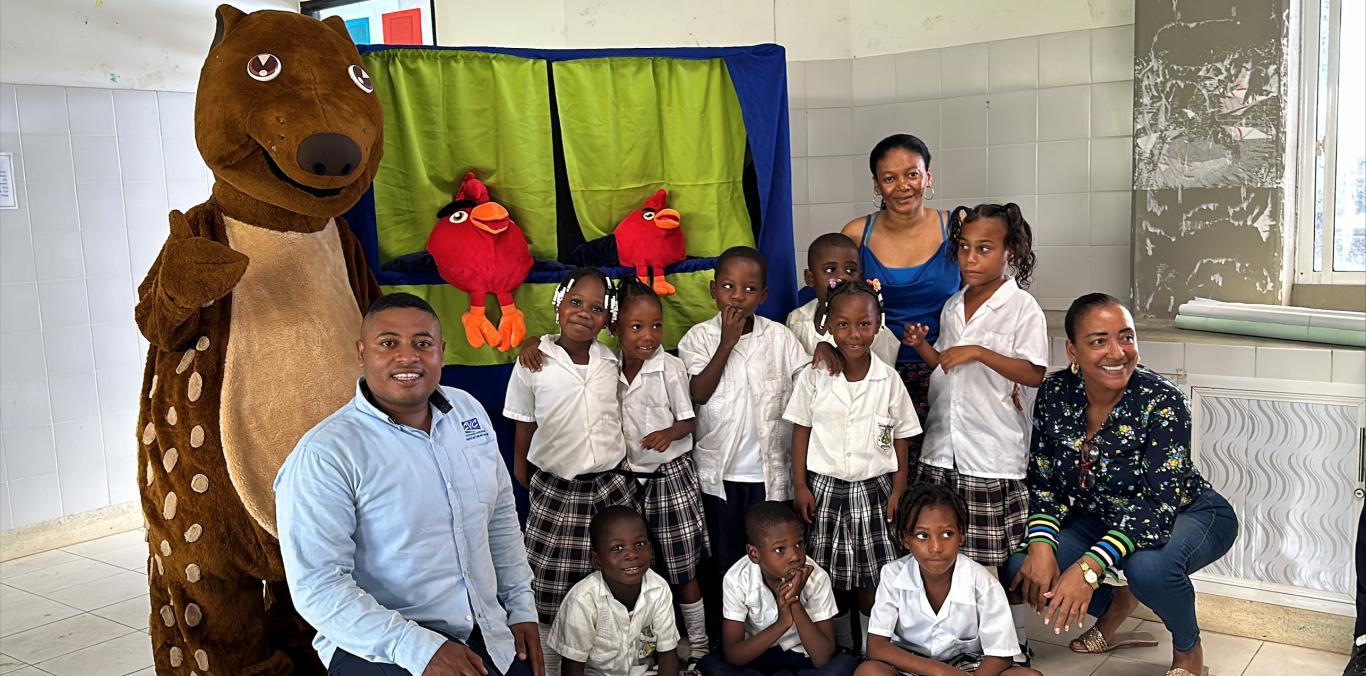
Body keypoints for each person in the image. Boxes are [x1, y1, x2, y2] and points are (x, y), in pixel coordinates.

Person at [276, 292, 543, 676]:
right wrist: (421, 649)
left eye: (422, 344)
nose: (408, 357)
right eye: (389, 344)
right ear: (362, 353)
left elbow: (500, 517)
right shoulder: (325, 454)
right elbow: (318, 586)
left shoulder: (467, 411)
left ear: (442, 353)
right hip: (381, 644)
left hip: (487, 631)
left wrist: (520, 607)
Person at [1007, 293, 1239, 676]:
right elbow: (1044, 480)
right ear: (1073, 351)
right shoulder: (1055, 394)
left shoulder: (1162, 400)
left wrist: (1089, 567)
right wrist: (1042, 544)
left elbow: (1156, 504)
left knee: (1148, 568)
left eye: (1126, 337)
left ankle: (1188, 649)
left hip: (1187, 512)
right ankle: (1119, 602)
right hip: (1104, 517)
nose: (1117, 352)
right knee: (1023, 565)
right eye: (1099, 341)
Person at [902, 203, 1048, 661]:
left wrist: (980, 351)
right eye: (964, 248)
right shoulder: (953, 305)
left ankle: (1013, 646)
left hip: (990, 452)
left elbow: (1034, 372)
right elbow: (947, 366)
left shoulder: (1022, 307)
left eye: (984, 248)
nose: (970, 258)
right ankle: (962, 642)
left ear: (1010, 252)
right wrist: (923, 347)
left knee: (991, 560)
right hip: (943, 449)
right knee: (949, 554)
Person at [504, 267, 638, 673]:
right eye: (576, 302)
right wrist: (523, 473)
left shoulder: (611, 360)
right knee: (549, 579)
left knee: (612, 575)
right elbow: (523, 421)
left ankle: (606, 659)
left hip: (611, 484)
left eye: (596, 308)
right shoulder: (533, 360)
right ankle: (548, 661)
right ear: (558, 305)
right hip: (556, 485)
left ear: (608, 318)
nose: (584, 313)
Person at [783, 280, 919, 650]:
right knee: (828, 577)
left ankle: (870, 648)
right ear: (827, 324)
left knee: (872, 577)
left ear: (878, 325)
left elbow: (902, 437)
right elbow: (801, 430)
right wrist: (800, 485)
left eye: (864, 324)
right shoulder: (815, 376)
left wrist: (899, 490)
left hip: (875, 491)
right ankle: (841, 646)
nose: (854, 334)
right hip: (824, 490)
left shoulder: (888, 380)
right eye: (843, 324)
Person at [677, 246, 809, 571]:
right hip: (719, 476)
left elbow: (808, 389)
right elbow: (699, 392)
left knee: (771, 559)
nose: (737, 296)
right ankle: (728, 608)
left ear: (763, 296)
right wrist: (727, 342)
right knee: (726, 560)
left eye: (750, 289)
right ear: (713, 290)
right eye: (728, 286)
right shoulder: (699, 338)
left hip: (770, 475)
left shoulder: (780, 338)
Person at [840, 133, 960, 462]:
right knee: (884, 464)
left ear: (928, 177)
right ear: (877, 185)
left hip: (946, 368)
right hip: (876, 370)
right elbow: (836, 301)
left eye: (912, 174)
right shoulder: (855, 234)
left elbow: (986, 297)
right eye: (889, 178)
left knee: (940, 468)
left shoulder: (957, 227)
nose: (903, 186)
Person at [859, 484, 1039, 676]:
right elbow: (877, 647)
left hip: (970, 667)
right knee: (869, 672)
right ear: (906, 539)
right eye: (922, 536)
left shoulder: (984, 583)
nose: (936, 547)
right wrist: (941, 672)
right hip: (910, 665)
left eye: (947, 534)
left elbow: (1001, 654)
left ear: (961, 535)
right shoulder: (892, 575)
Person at [699, 502, 857, 676]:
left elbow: (822, 658)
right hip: (756, 655)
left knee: (843, 666)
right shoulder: (737, 578)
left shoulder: (817, 578)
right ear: (754, 554)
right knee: (711, 666)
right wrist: (782, 623)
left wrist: (794, 602)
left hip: (803, 656)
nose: (795, 556)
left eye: (799, 544)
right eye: (780, 549)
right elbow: (734, 655)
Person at [548, 506, 681, 676]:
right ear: (597, 561)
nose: (632, 555)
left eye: (639, 544)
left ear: (650, 549)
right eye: (617, 548)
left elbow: (668, 654)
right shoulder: (582, 599)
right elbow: (572, 669)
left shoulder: (659, 589)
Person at [786, 233, 899, 366]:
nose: (842, 276)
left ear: (859, 277)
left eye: (850, 270)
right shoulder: (796, 319)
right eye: (830, 270)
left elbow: (883, 375)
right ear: (810, 278)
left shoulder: (874, 329)